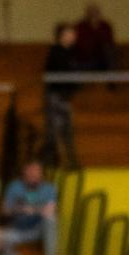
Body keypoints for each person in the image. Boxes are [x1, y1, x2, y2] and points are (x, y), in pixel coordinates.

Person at [3, 159, 59, 255]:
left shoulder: (50, 189)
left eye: (36, 171)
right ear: (24, 172)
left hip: (38, 230)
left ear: (41, 173)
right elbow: (6, 210)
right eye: (30, 171)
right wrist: (24, 209)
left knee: (51, 219)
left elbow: (50, 210)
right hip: (16, 230)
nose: (33, 174)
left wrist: (30, 209)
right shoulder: (14, 186)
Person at [43, 23, 80, 168]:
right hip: (55, 96)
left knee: (67, 130)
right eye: (69, 33)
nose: (72, 36)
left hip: (65, 97)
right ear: (62, 36)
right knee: (54, 130)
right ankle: (51, 161)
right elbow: (54, 74)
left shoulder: (72, 53)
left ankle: (71, 160)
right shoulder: (56, 52)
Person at [74, 3, 116, 71]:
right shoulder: (80, 26)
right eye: (91, 13)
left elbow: (108, 42)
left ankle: (112, 77)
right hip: (83, 57)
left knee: (109, 52)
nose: (93, 15)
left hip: (102, 58)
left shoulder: (105, 26)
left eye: (95, 12)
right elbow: (79, 43)